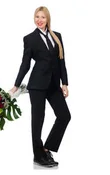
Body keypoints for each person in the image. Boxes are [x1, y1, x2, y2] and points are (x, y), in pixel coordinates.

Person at [10, 6, 71, 168]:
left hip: (53, 85)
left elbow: (61, 62)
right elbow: (25, 64)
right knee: (38, 120)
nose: (39, 20)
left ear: (47, 19)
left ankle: (46, 148)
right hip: (37, 85)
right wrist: (16, 85)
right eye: (37, 17)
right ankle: (38, 156)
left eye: (42, 17)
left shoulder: (57, 36)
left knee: (64, 116)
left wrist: (64, 83)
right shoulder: (29, 39)